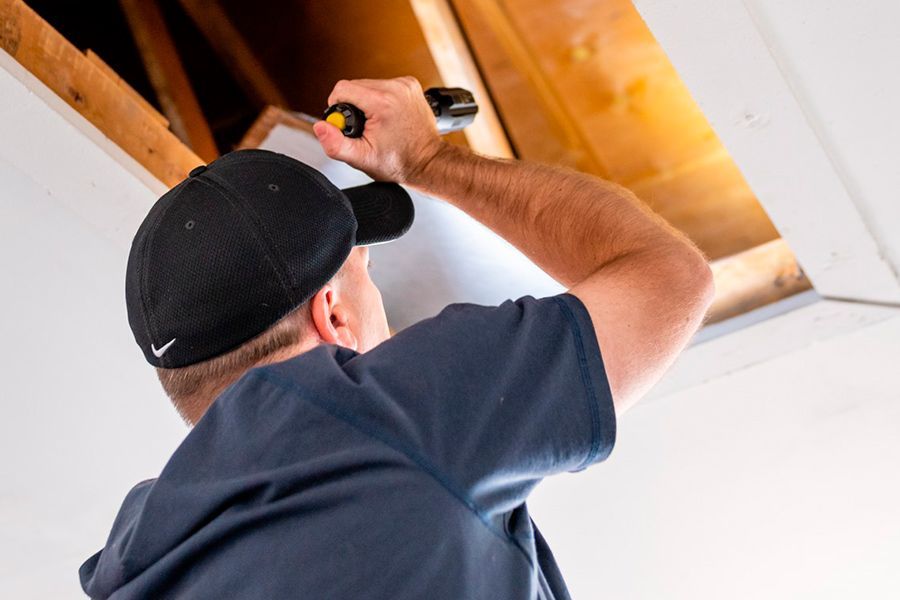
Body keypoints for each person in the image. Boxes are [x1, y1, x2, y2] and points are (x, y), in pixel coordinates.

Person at [80, 77, 713, 599]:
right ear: (333, 315)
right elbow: (669, 277)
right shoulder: (396, 412)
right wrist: (431, 161)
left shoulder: (135, 569)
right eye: (367, 276)